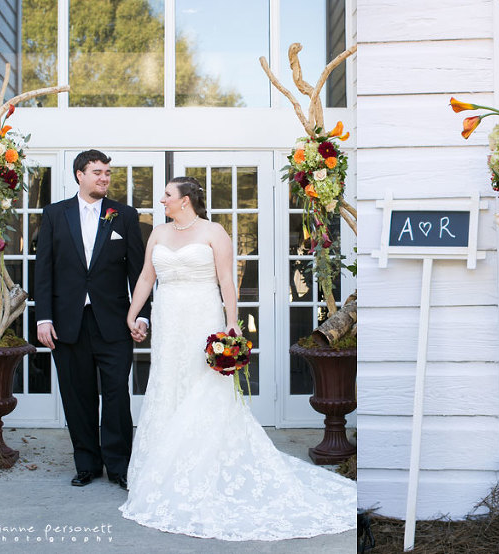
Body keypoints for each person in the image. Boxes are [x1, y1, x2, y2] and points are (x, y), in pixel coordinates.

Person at [119, 176, 356, 541]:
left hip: (202, 314)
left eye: (167, 194)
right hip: (168, 318)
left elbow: (227, 281)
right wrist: (133, 315)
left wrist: (232, 323)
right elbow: (147, 278)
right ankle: (163, 467)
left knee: (205, 385)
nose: (162, 199)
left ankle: (203, 466)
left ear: (185, 200)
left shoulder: (215, 232)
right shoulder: (158, 234)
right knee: (168, 382)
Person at [34, 149, 150, 490]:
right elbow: (44, 269)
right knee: (77, 395)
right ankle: (86, 464)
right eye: (97, 172)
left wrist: (140, 315)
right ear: (79, 175)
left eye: (107, 173)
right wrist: (43, 318)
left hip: (114, 322)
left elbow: (138, 272)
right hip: (68, 322)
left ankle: (118, 467)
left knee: (116, 395)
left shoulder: (124, 215)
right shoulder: (55, 214)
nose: (104, 178)